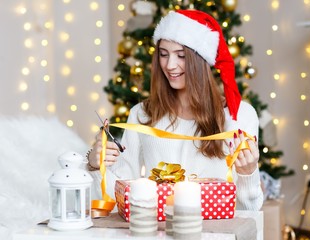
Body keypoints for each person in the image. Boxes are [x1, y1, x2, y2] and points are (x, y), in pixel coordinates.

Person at [87, 9, 263, 211]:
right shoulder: (142, 114)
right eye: (163, 54)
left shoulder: (239, 116)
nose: (170, 65)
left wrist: (248, 173)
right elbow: (119, 197)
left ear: (201, 60)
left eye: (181, 55)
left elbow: (249, 210)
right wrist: (95, 165)